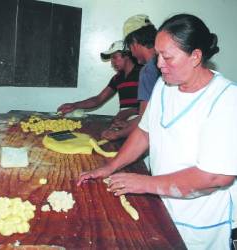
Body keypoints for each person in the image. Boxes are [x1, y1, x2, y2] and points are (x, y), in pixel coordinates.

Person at [78, 14, 237, 249]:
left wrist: (143, 183)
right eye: (158, 54)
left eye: (168, 57)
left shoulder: (226, 99)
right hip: (163, 206)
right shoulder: (165, 85)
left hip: (200, 220)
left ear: (195, 56)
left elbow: (215, 177)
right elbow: (144, 132)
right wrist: (110, 167)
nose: (159, 63)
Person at [57, 40, 142, 133]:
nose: (112, 63)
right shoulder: (117, 78)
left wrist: (131, 111)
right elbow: (98, 99)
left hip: (141, 124)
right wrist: (74, 105)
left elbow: (153, 105)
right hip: (124, 124)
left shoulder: (143, 73)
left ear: (127, 55)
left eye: (114, 57)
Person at [101, 15, 160, 141]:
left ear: (134, 42)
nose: (132, 53)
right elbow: (149, 115)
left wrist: (117, 134)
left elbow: (145, 121)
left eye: (129, 46)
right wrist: (129, 125)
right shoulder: (163, 64)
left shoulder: (147, 71)